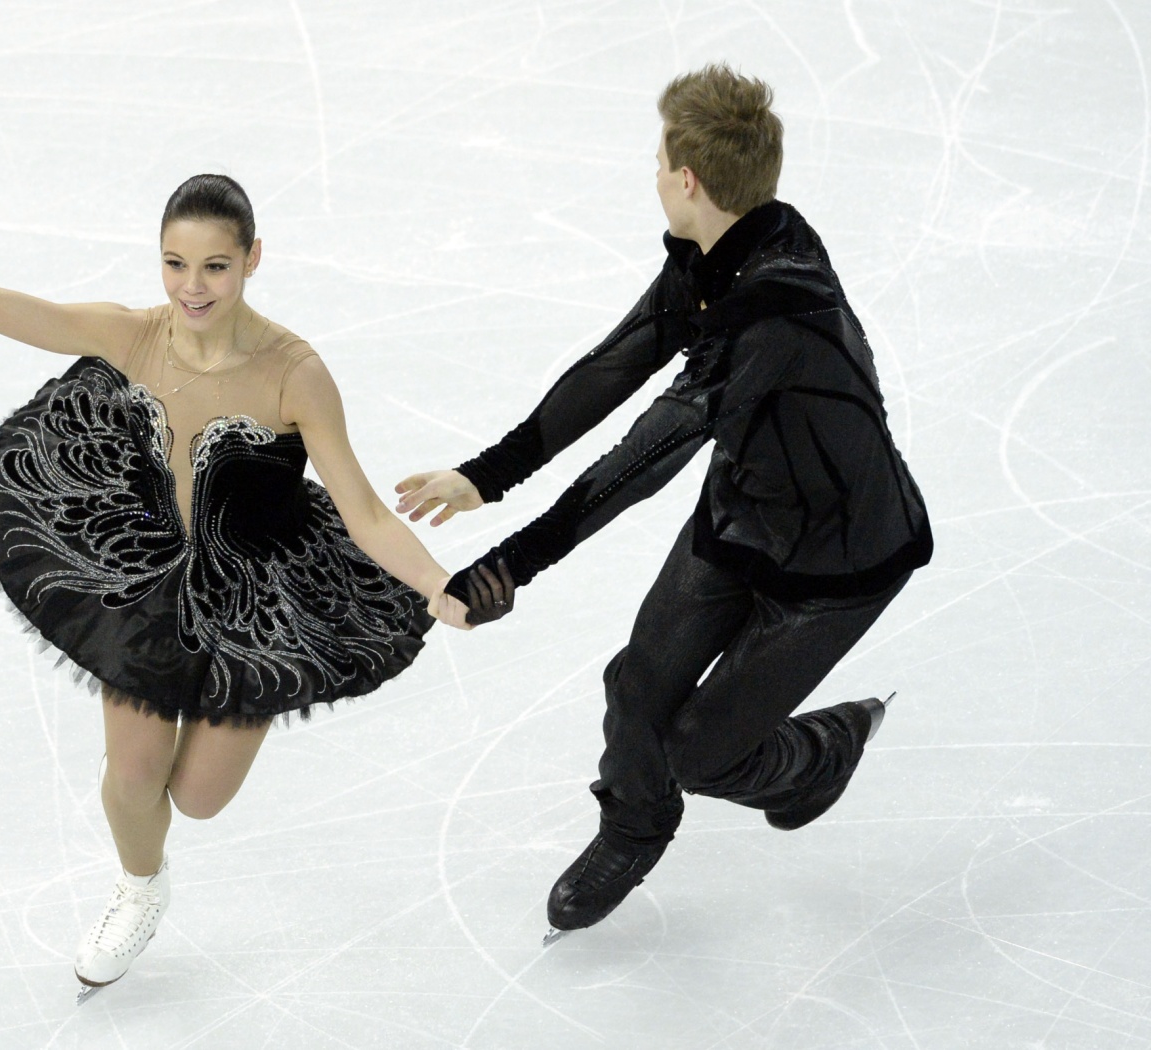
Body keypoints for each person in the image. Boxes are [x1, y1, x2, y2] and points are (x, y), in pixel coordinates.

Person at [0, 115, 511, 998]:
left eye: (215, 266)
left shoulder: (293, 373)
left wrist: (445, 587)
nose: (193, 287)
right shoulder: (135, 335)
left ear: (253, 258)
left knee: (198, 798)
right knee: (131, 781)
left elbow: (367, 513)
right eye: (175, 264)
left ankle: (202, 773)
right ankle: (139, 885)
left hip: (262, 593)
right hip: (150, 573)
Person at [393, 64, 932, 940]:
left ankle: (813, 757)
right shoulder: (726, 254)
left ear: (688, 180)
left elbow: (640, 463)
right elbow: (614, 367)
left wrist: (508, 565)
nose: (651, 173)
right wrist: (486, 474)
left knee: (699, 750)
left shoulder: (770, 313)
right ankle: (634, 828)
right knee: (636, 688)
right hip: (744, 517)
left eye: (657, 161)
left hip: (841, 560)